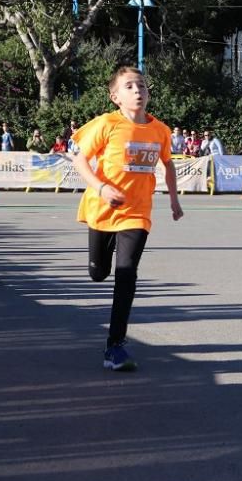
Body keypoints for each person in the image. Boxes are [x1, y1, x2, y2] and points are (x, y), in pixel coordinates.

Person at [70, 66, 183, 372]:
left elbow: (168, 165)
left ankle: (115, 346)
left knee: (127, 273)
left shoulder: (160, 130)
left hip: (137, 214)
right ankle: (97, 264)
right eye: (130, 86)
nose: (137, 91)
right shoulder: (106, 124)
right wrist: (101, 187)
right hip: (102, 209)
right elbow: (78, 157)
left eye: (142, 86)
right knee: (98, 274)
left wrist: (174, 200)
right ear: (115, 97)